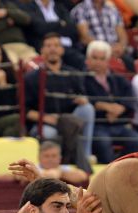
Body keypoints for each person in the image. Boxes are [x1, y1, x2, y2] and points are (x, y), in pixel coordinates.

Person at [24, 33, 95, 174]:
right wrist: (45, 117)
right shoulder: (31, 78)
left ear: (62, 50)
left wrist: (82, 100)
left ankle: (86, 154)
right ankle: (60, 165)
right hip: (46, 122)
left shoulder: (72, 73)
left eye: (56, 45)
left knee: (87, 109)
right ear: (41, 50)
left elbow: (82, 97)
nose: (53, 49)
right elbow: (26, 111)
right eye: (48, 46)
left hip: (69, 120)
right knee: (49, 133)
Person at [84, 40, 138, 164]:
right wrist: (104, 106)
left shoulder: (118, 78)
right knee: (103, 142)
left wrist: (121, 109)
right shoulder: (81, 78)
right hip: (98, 125)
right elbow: (81, 99)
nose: (98, 62)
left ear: (108, 61)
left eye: (102, 59)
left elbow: (130, 98)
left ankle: (120, 167)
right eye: (94, 58)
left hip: (119, 124)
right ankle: (108, 173)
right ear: (87, 59)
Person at [20, 0, 85, 69]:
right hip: (44, 47)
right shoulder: (29, 6)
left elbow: (72, 28)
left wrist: (50, 26)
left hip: (69, 46)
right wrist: (60, 24)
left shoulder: (58, 5)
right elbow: (40, 28)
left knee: (83, 60)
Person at [71, 0, 130, 66]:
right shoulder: (80, 10)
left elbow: (122, 34)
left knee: (131, 64)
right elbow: (84, 37)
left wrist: (121, 47)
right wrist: (107, 49)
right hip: (96, 52)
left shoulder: (113, 9)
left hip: (116, 51)